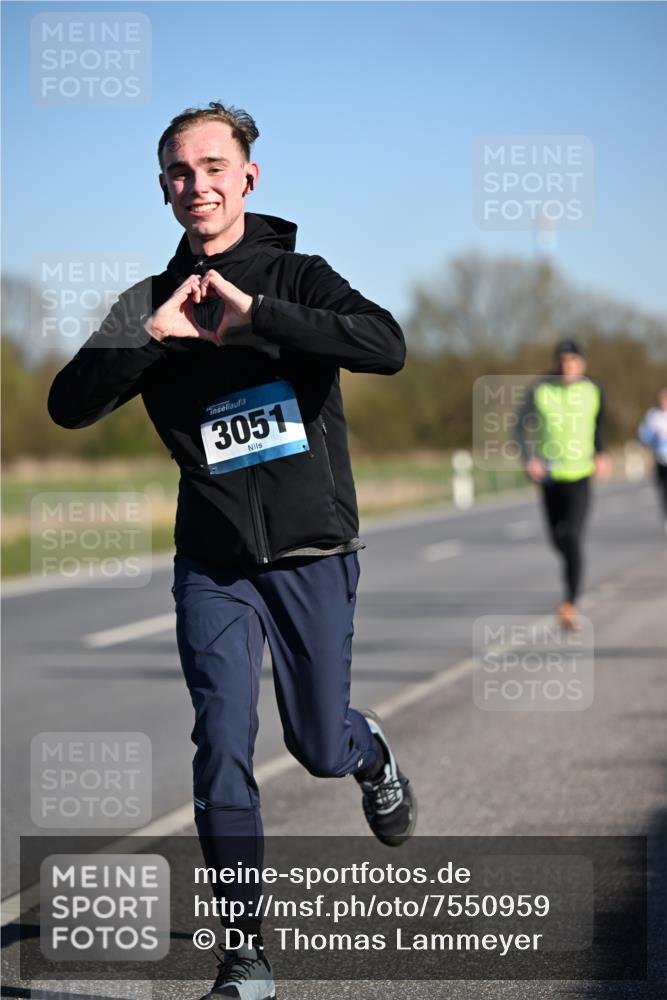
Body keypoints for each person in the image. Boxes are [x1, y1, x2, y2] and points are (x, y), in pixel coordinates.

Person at [48, 102, 417, 1000]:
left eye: (213, 167)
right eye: (178, 171)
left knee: (318, 745)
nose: (196, 185)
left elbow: (387, 346)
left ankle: (369, 755)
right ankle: (245, 954)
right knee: (220, 745)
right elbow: (68, 404)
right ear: (164, 188)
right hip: (212, 562)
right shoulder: (147, 303)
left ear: (248, 176)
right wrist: (149, 337)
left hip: (310, 550)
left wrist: (263, 317)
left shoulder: (299, 276)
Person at [516, 339, 610, 630]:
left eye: (573, 361)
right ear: (557, 363)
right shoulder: (541, 389)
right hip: (550, 476)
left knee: (571, 535)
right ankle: (570, 591)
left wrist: (601, 452)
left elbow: (599, 424)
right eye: (563, 361)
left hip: (580, 474)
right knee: (557, 539)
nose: (568, 366)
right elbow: (519, 426)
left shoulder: (593, 390)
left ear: (582, 364)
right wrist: (529, 458)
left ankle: (570, 602)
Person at [638, 388, 667, 534]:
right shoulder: (652, 415)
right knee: (663, 490)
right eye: (662, 398)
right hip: (660, 459)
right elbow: (644, 435)